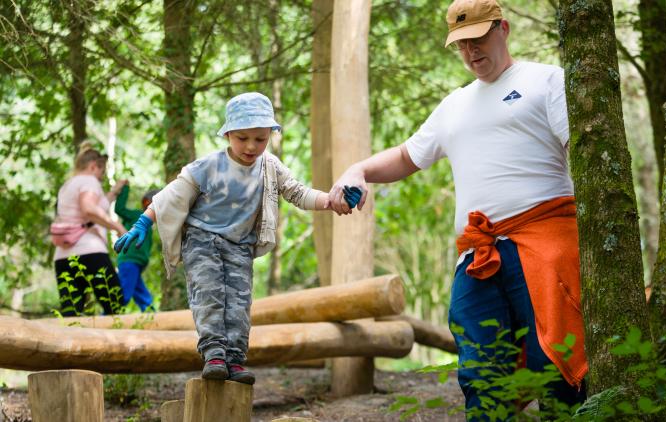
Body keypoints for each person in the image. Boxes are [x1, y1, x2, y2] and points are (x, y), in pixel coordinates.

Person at [328, 0, 587, 418]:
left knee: (554, 364)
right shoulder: (454, 105)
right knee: (481, 371)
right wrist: (358, 170)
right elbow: (406, 156)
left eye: (477, 38)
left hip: (545, 244)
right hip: (478, 254)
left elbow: (586, 153)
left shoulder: (546, 80)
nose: (470, 51)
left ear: (503, 28)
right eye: (461, 44)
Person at [114, 92, 333, 385]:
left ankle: (234, 358)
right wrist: (142, 222)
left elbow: (298, 192)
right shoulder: (209, 166)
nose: (251, 146)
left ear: (270, 134)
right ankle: (214, 353)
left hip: (240, 245)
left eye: (260, 139)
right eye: (242, 138)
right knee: (210, 294)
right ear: (228, 133)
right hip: (202, 239)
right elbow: (172, 195)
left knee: (239, 304)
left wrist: (330, 200)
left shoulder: (270, 167)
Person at [53, 142, 127, 316]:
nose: (100, 177)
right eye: (101, 172)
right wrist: (118, 226)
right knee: (114, 304)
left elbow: (96, 206)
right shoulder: (89, 180)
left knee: (72, 314)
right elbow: (88, 208)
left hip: (63, 258)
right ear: (93, 166)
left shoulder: (67, 185)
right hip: (90, 253)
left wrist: (115, 191)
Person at [114, 183, 158, 312]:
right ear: (147, 203)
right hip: (129, 260)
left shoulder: (150, 225)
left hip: (136, 263)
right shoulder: (138, 216)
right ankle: (107, 315)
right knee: (124, 296)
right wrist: (125, 188)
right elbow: (119, 209)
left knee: (141, 293)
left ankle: (151, 315)